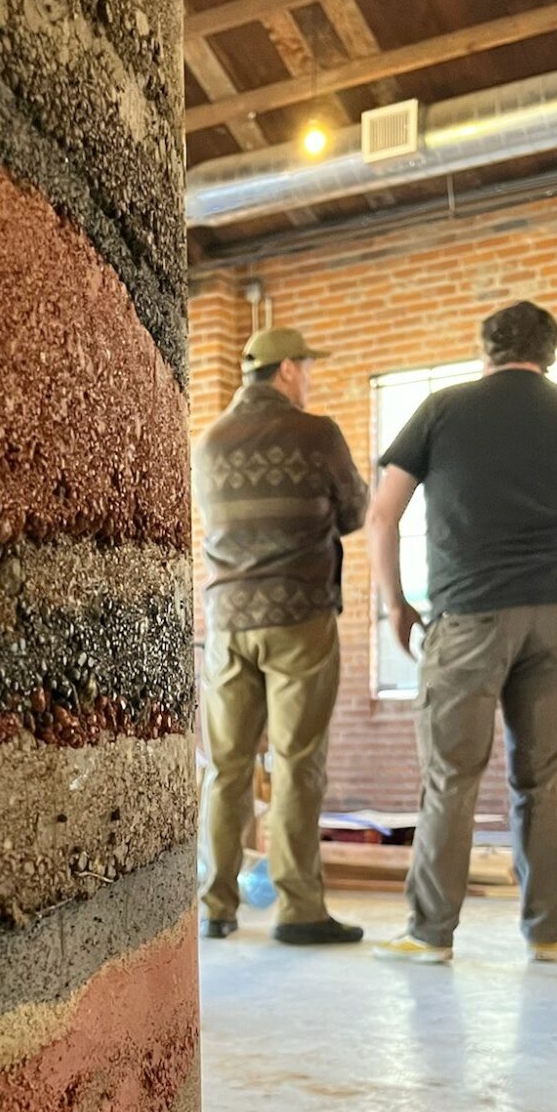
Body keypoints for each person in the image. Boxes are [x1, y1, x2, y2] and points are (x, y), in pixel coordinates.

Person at [366, 300, 557, 965]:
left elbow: (380, 516)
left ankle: (431, 935)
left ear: (484, 350)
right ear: (549, 353)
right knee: (541, 781)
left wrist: (397, 605)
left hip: (468, 616)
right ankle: (548, 933)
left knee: (452, 779)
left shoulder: (441, 410)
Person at [195, 325, 369, 946]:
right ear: (288, 370)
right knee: (297, 764)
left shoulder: (208, 442)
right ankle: (298, 909)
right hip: (299, 618)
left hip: (227, 625)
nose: (310, 377)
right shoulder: (316, 433)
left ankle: (215, 905)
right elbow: (354, 512)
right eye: (307, 367)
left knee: (226, 768)